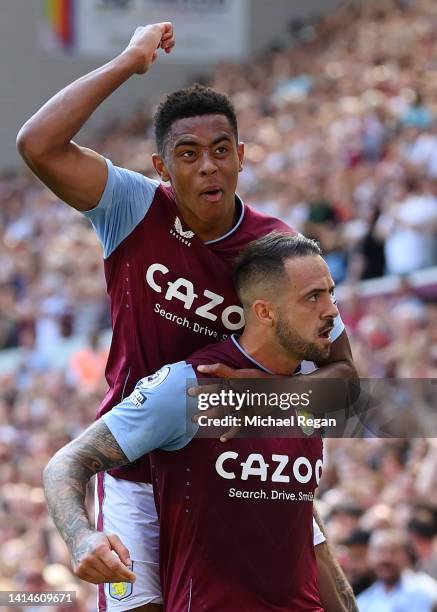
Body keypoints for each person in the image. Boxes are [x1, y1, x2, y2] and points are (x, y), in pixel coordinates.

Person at [17, 23, 356, 611]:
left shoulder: (280, 250)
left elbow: (348, 383)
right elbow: (37, 144)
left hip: (238, 459)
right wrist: (129, 61)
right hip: (136, 463)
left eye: (222, 151)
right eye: (188, 154)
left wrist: (270, 402)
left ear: (242, 158)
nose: (208, 168)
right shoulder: (133, 205)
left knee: (326, 592)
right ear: (161, 165)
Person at [44, 233, 357, 612]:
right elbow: (66, 463)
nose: (332, 311)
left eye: (330, 293)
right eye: (313, 297)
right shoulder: (190, 387)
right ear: (265, 312)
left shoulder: (309, 393)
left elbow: (304, 527)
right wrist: (81, 538)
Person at [358, 528, 437, 612]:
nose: (386, 559)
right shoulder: (364, 602)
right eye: (380, 552)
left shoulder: (428, 590)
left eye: (393, 551)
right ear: (370, 557)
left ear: (406, 555)